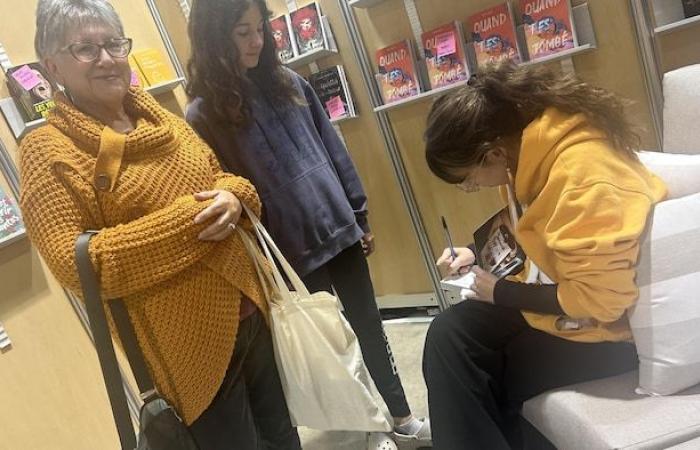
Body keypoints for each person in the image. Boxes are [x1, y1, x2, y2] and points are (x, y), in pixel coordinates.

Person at [20, 1, 300, 449]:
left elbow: (219, 174)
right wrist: (190, 221)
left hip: (251, 312)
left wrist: (235, 197)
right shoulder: (47, 150)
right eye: (86, 49)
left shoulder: (159, 117)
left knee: (285, 438)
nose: (108, 58)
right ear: (52, 65)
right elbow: (80, 265)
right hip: (185, 349)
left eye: (113, 43)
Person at [184, 0, 431, 447]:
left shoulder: (289, 83)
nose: (256, 41)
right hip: (290, 252)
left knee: (370, 327)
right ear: (213, 38)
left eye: (261, 28)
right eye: (243, 32)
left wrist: (358, 213)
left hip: (340, 229)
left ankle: (401, 415)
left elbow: (333, 149)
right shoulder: (202, 116)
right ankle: (369, 430)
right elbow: (226, 189)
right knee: (331, 351)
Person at [422, 63, 667, 449]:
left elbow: (603, 302)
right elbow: (538, 235)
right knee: (451, 334)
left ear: (493, 154)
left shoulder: (580, 174)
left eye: (467, 179)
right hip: (571, 309)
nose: (471, 187)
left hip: (616, 335)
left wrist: (501, 293)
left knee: (488, 370)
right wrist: (474, 254)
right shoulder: (529, 157)